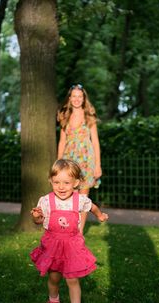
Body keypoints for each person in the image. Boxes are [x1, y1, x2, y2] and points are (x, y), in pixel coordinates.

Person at [30, 159, 108, 303]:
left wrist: (100, 215)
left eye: (66, 182)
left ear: (76, 183)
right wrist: (37, 217)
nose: (61, 186)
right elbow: (40, 221)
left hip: (72, 246)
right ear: (51, 180)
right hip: (53, 248)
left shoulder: (79, 200)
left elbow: (92, 207)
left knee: (72, 279)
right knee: (54, 278)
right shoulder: (46, 201)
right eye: (56, 182)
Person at [57, 84, 102, 233]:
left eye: (79, 96)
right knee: (70, 198)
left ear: (84, 99)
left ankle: (79, 233)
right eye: (74, 96)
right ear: (69, 98)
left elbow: (95, 142)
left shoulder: (89, 116)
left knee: (83, 200)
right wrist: (59, 164)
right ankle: (69, 229)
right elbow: (62, 141)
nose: (77, 99)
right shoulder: (64, 116)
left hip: (87, 162)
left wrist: (98, 165)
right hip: (70, 162)